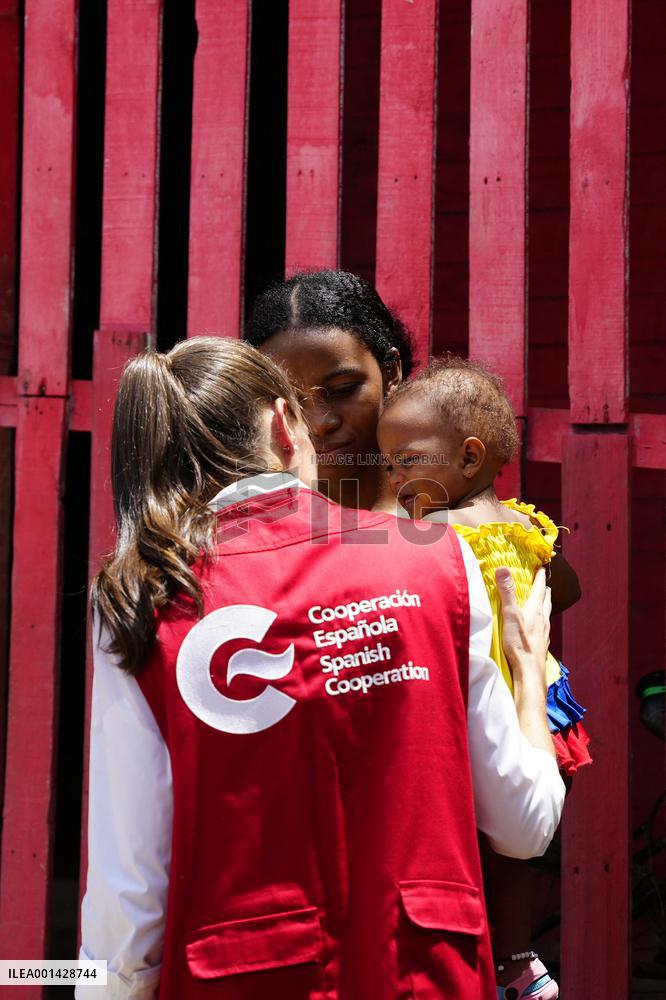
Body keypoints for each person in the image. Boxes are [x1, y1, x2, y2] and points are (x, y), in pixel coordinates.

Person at [78, 336, 564, 999]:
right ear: (285, 425)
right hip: (420, 975)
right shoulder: (435, 559)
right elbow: (526, 823)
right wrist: (528, 672)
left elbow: (131, 893)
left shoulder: (145, 596)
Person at [376, 355, 592, 1000]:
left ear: (468, 458)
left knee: (469, 842)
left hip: (480, 710)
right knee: (516, 851)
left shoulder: (430, 534)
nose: (394, 478)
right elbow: (568, 590)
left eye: (407, 461)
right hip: (548, 705)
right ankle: (519, 963)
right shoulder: (526, 524)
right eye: (387, 464)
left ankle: (486, 964)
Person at [245, 269, 414, 511]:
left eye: (342, 389)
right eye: (290, 402)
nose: (318, 424)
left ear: (391, 372)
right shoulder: (243, 523)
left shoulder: (451, 524)